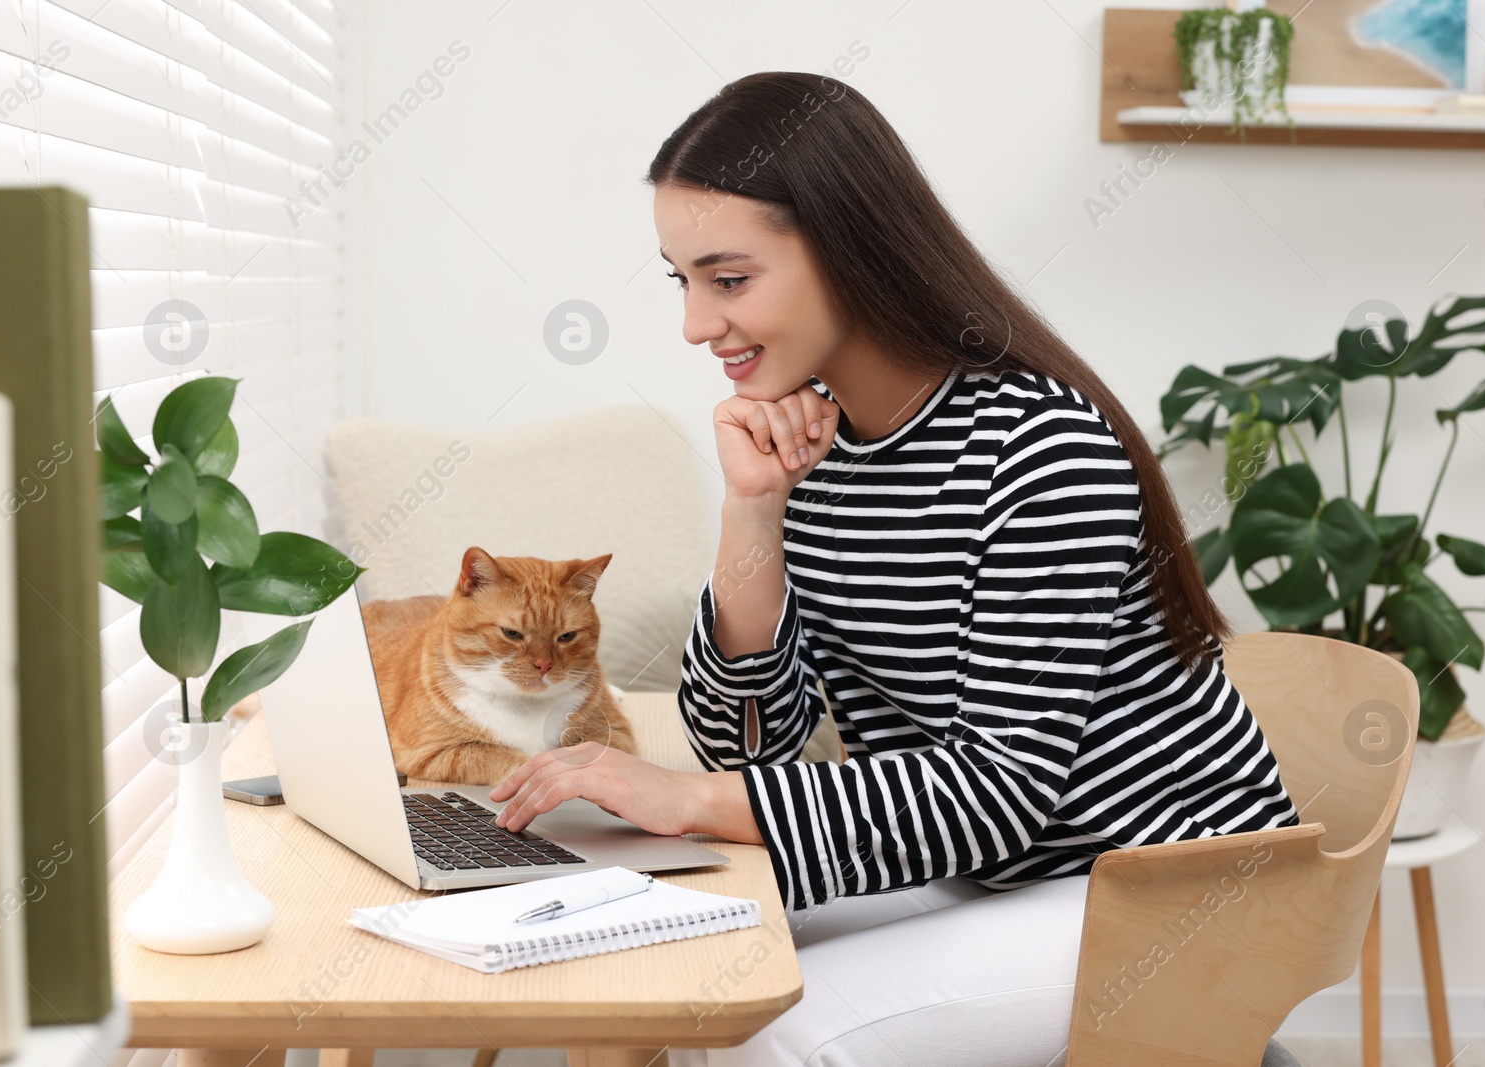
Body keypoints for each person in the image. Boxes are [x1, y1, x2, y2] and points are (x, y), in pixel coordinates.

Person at [489, 71, 1300, 1066]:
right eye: (681, 279)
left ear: (847, 249)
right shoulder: (816, 445)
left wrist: (689, 799)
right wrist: (755, 506)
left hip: (1164, 886)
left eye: (728, 279)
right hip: (1001, 863)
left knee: (765, 1030)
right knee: (662, 970)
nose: (696, 325)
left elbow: (1001, 786)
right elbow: (753, 742)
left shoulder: (1040, 449)